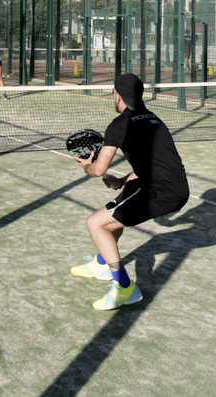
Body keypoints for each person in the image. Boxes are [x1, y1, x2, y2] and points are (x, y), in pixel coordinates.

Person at [71, 73, 190, 311]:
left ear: (118, 95)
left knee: (95, 224)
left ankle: (125, 288)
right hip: (177, 188)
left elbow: (99, 169)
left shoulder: (120, 124)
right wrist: (122, 180)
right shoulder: (154, 119)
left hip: (159, 192)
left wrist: (86, 167)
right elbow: (154, 164)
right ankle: (101, 263)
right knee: (114, 216)